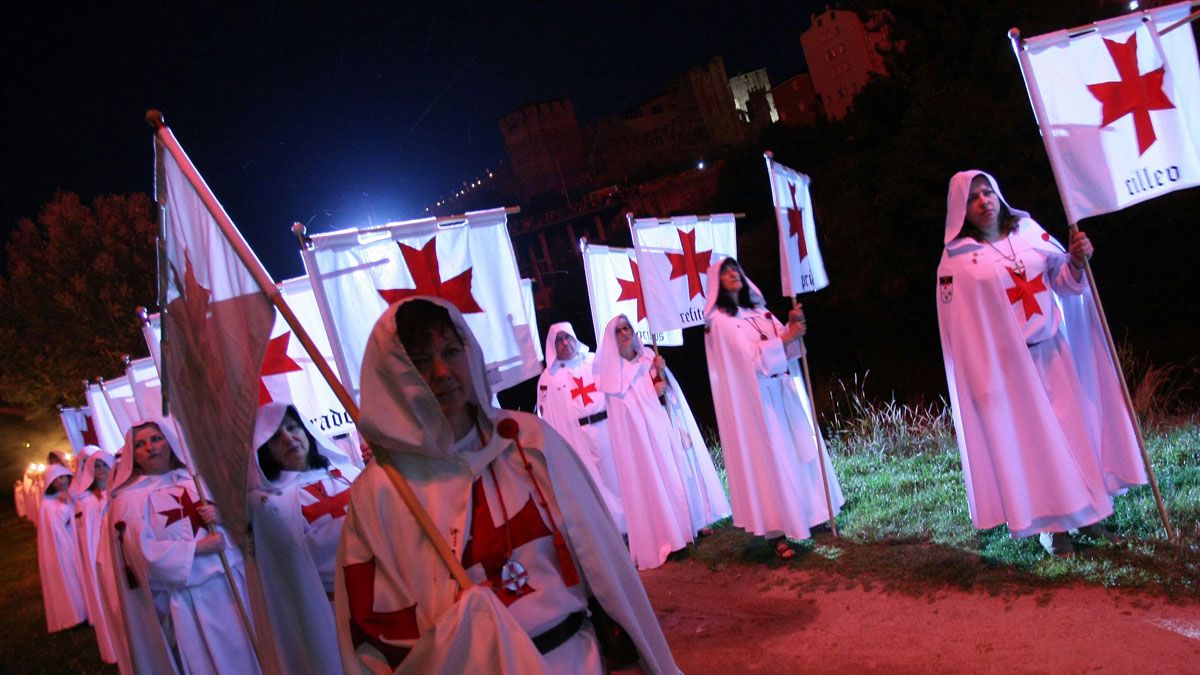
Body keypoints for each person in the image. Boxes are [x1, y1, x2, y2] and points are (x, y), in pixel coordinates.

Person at [335, 297, 678, 674]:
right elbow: (376, 634)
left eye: (451, 351)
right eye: (419, 362)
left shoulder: (528, 442)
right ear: (393, 374)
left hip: (576, 660)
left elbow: (603, 562)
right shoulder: (383, 491)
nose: (441, 371)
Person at [936, 170, 1147, 556]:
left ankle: (1089, 513)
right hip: (1011, 371)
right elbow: (961, 332)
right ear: (960, 210)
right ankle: (1054, 528)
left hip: (1054, 353)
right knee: (1039, 446)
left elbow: (1065, 282)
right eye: (974, 198)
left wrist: (1078, 261)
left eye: (988, 192)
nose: (984, 201)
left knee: (1074, 435)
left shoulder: (1029, 232)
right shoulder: (958, 263)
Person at [703, 258, 844, 559]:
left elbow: (788, 345)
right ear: (716, 283)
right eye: (725, 272)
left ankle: (811, 512)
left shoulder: (759, 311)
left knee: (799, 453)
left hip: (783, 390)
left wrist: (794, 328)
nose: (733, 275)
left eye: (735, 269)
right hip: (760, 401)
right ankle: (778, 532)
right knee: (773, 461)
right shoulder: (720, 323)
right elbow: (748, 360)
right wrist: (786, 338)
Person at [107, 420, 261, 674]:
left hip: (234, 581)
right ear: (132, 455)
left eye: (156, 439)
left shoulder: (196, 480)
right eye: (140, 444)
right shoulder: (128, 500)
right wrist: (197, 548)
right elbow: (142, 555)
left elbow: (243, 521)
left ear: (168, 441)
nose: (150, 447)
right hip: (191, 596)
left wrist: (221, 516)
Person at [593, 314, 730, 570]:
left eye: (627, 328)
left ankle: (694, 522)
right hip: (644, 442)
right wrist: (649, 393)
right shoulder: (613, 378)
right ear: (612, 340)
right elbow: (626, 413)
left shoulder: (648, 357)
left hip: (666, 424)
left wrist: (663, 373)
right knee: (660, 480)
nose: (624, 333)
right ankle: (670, 534)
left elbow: (668, 389)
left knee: (682, 473)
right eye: (619, 331)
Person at [247, 401, 361, 675]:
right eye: (276, 436)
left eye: (292, 427)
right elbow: (301, 556)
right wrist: (359, 529)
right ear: (266, 449)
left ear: (306, 431)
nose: (288, 438)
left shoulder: (348, 473)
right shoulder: (268, 503)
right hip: (330, 609)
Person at [535, 322, 626, 532]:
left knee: (616, 477)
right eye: (559, 341)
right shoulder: (548, 378)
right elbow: (547, 415)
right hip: (575, 437)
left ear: (575, 338)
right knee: (592, 484)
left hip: (606, 428)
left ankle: (631, 527)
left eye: (567, 338)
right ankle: (611, 531)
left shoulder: (595, 361)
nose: (565, 343)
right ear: (553, 346)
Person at [70, 450, 120, 664]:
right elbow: (87, 537)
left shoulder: (119, 492)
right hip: (100, 557)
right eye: (96, 466)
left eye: (104, 465)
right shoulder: (86, 501)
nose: (100, 470)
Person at [37, 463, 89, 632]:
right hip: (64, 547)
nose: (60, 482)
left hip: (78, 540)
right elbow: (55, 525)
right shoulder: (48, 503)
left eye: (62, 477)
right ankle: (77, 613)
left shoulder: (76, 492)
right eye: (56, 480)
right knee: (71, 577)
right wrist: (65, 505)